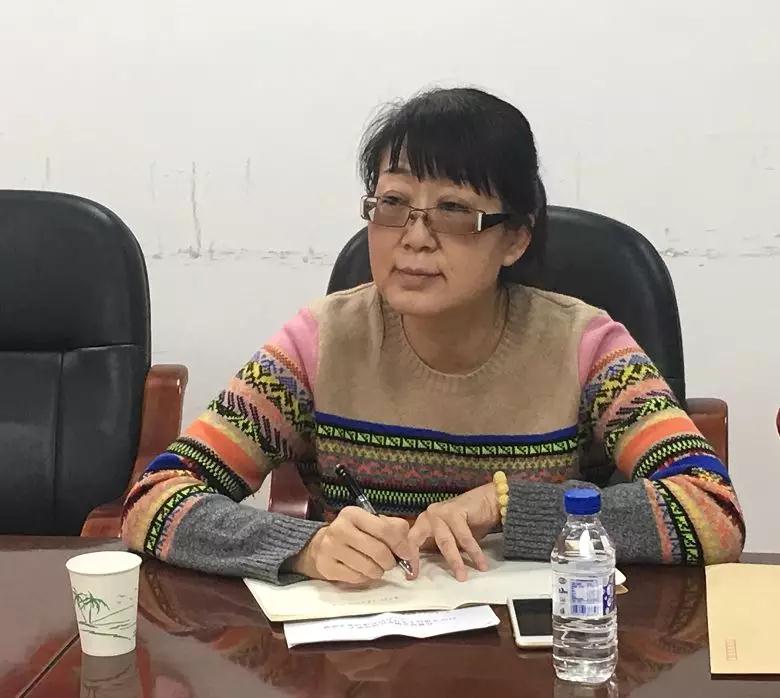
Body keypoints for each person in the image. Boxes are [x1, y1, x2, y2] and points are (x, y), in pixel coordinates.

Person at [122, 87, 744, 585]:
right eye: (393, 204)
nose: (415, 238)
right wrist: (303, 546)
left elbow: (711, 510)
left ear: (515, 238)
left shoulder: (586, 348)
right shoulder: (319, 344)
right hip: (361, 653)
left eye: (453, 211)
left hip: (542, 654)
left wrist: (505, 505)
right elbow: (155, 498)